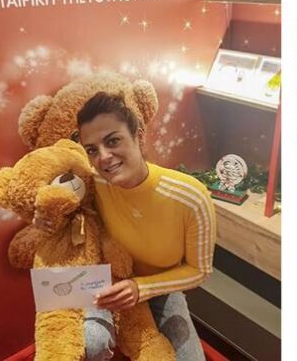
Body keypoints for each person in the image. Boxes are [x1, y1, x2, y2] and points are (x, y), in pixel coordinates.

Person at [77, 91, 216, 361]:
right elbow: (59, 205)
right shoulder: (93, 182)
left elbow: (200, 271)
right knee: (90, 343)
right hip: (105, 282)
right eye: (92, 150)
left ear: (139, 136)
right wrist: (44, 220)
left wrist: (141, 288)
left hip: (160, 287)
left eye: (113, 141)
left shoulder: (190, 197)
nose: (103, 157)